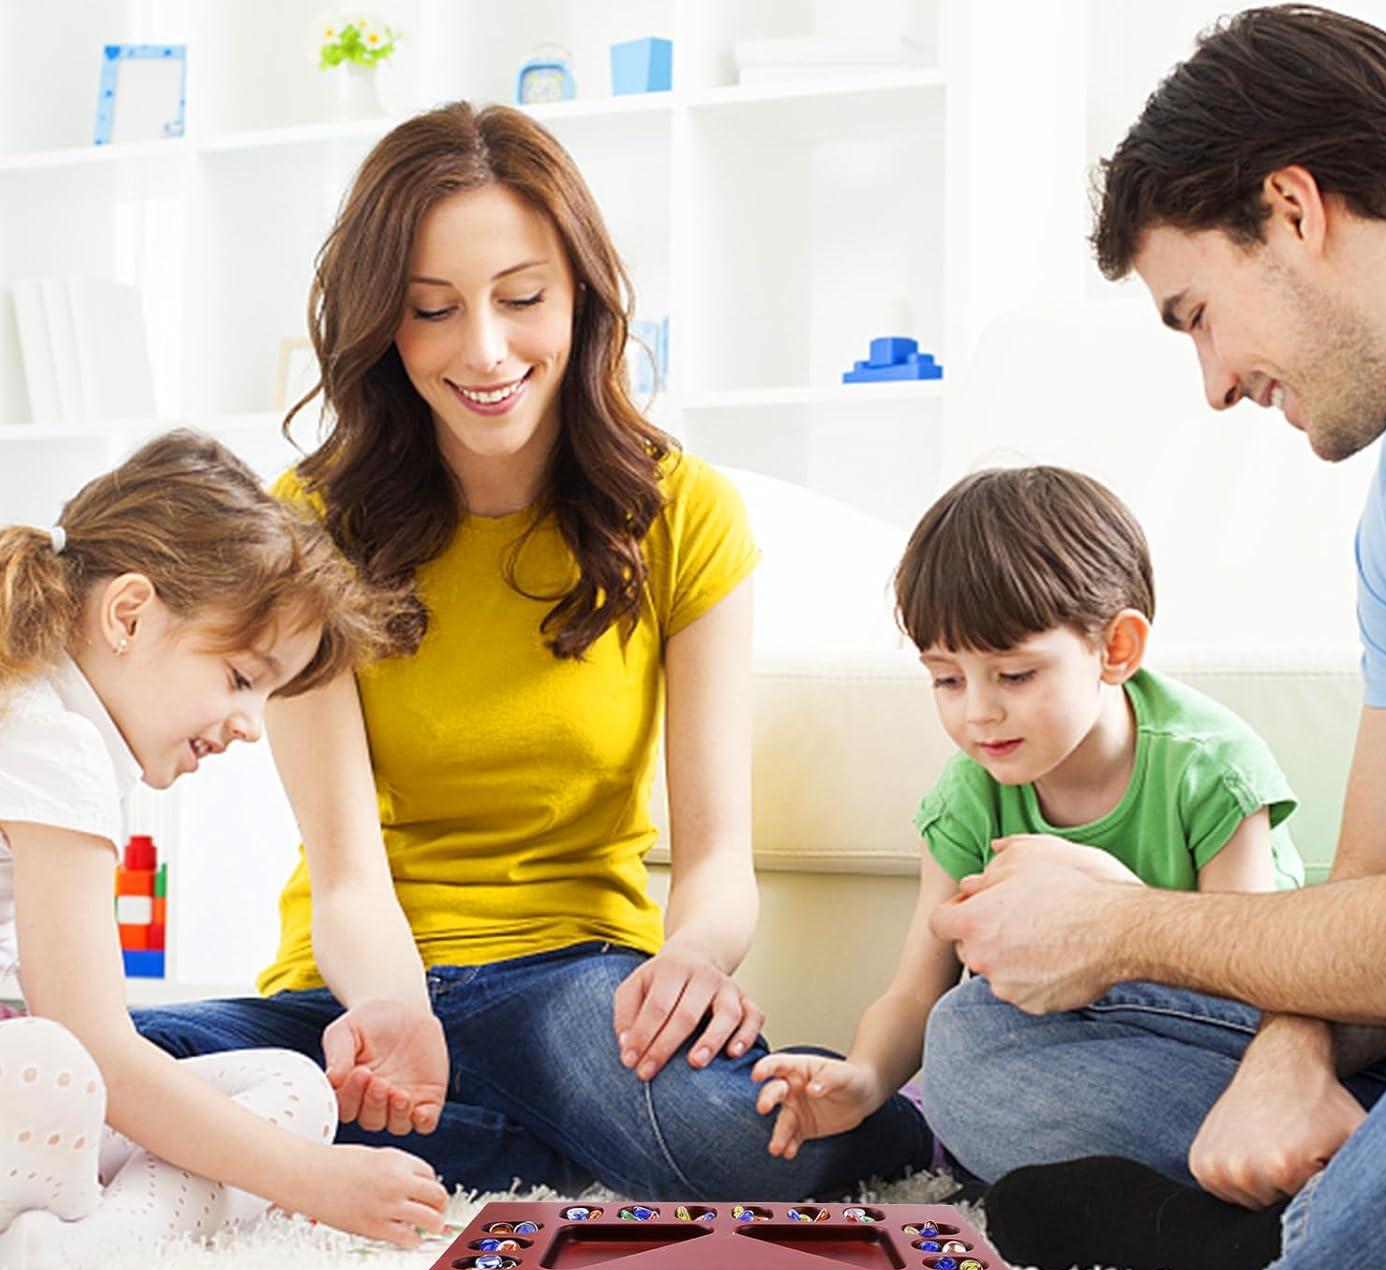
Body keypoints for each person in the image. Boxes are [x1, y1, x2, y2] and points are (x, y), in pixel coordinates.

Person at [130, 103, 931, 1199]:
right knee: (90, 1065)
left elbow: (714, 861)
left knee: (735, 1144)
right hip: (360, 993)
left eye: (522, 299)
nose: (487, 351)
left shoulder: (681, 511)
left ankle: (345, 1143)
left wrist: (692, 961)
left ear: (582, 298)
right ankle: (511, 1145)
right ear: (382, 324)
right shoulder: (310, 523)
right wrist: (394, 1011)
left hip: (574, 990)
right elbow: (348, 871)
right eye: (433, 310)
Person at [924, 5, 1386, 1270]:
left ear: (1292, 210)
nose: (1215, 383)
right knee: (983, 1051)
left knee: (1365, 1223)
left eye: (1197, 314)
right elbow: (1379, 886)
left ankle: (1291, 1255)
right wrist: (1292, 1059)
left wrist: (1126, 927)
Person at [752, 464, 1301, 1160]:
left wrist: (1112, 907)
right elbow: (917, 992)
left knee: (974, 1054)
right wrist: (863, 1081)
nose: (979, 711)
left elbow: (1250, 985)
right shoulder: (968, 797)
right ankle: (1154, 1179)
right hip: (1076, 1054)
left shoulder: (1211, 768)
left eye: (1014, 675)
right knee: (963, 1039)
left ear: (1116, 649)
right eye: (947, 679)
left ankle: (1186, 1167)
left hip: (1227, 1046)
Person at [0, 431, 448, 1270]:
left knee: (290, 1084)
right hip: (35, 1074)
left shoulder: (67, 730)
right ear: (128, 614)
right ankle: (56, 1256)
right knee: (59, 1071)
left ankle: (65, 1246)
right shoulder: (47, 738)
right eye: (244, 679)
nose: (250, 723)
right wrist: (316, 1183)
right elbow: (94, 1046)